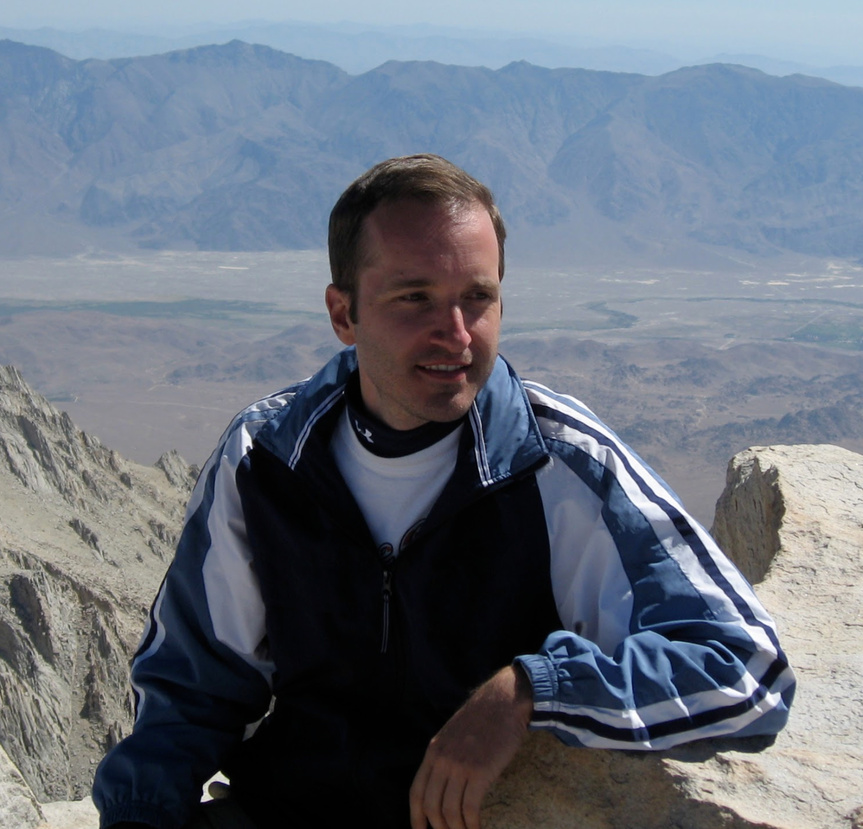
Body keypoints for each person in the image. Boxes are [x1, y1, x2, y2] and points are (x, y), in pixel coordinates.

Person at [93, 154, 795, 829]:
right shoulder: (266, 460)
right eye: (414, 298)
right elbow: (191, 694)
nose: (456, 334)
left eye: (477, 298)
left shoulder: (558, 465)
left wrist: (528, 689)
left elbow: (745, 671)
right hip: (287, 813)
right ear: (344, 313)